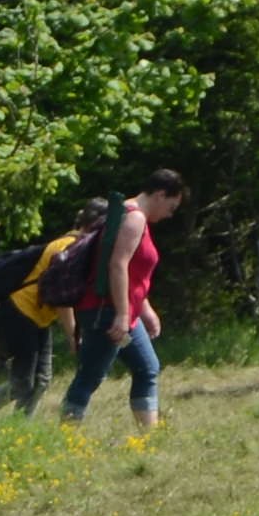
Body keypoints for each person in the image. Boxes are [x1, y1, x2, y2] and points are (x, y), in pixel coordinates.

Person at [54, 171, 183, 435]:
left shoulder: (129, 214)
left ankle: (149, 437)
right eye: (171, 207)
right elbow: (117, 265)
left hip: (121, 311)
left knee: (147, 367)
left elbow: (133, 273)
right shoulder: (134, 218)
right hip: (107, 312)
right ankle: (64, 437)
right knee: (90, 376)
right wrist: (123, 315)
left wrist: (144, 310)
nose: (170, 215)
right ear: (160, 195)